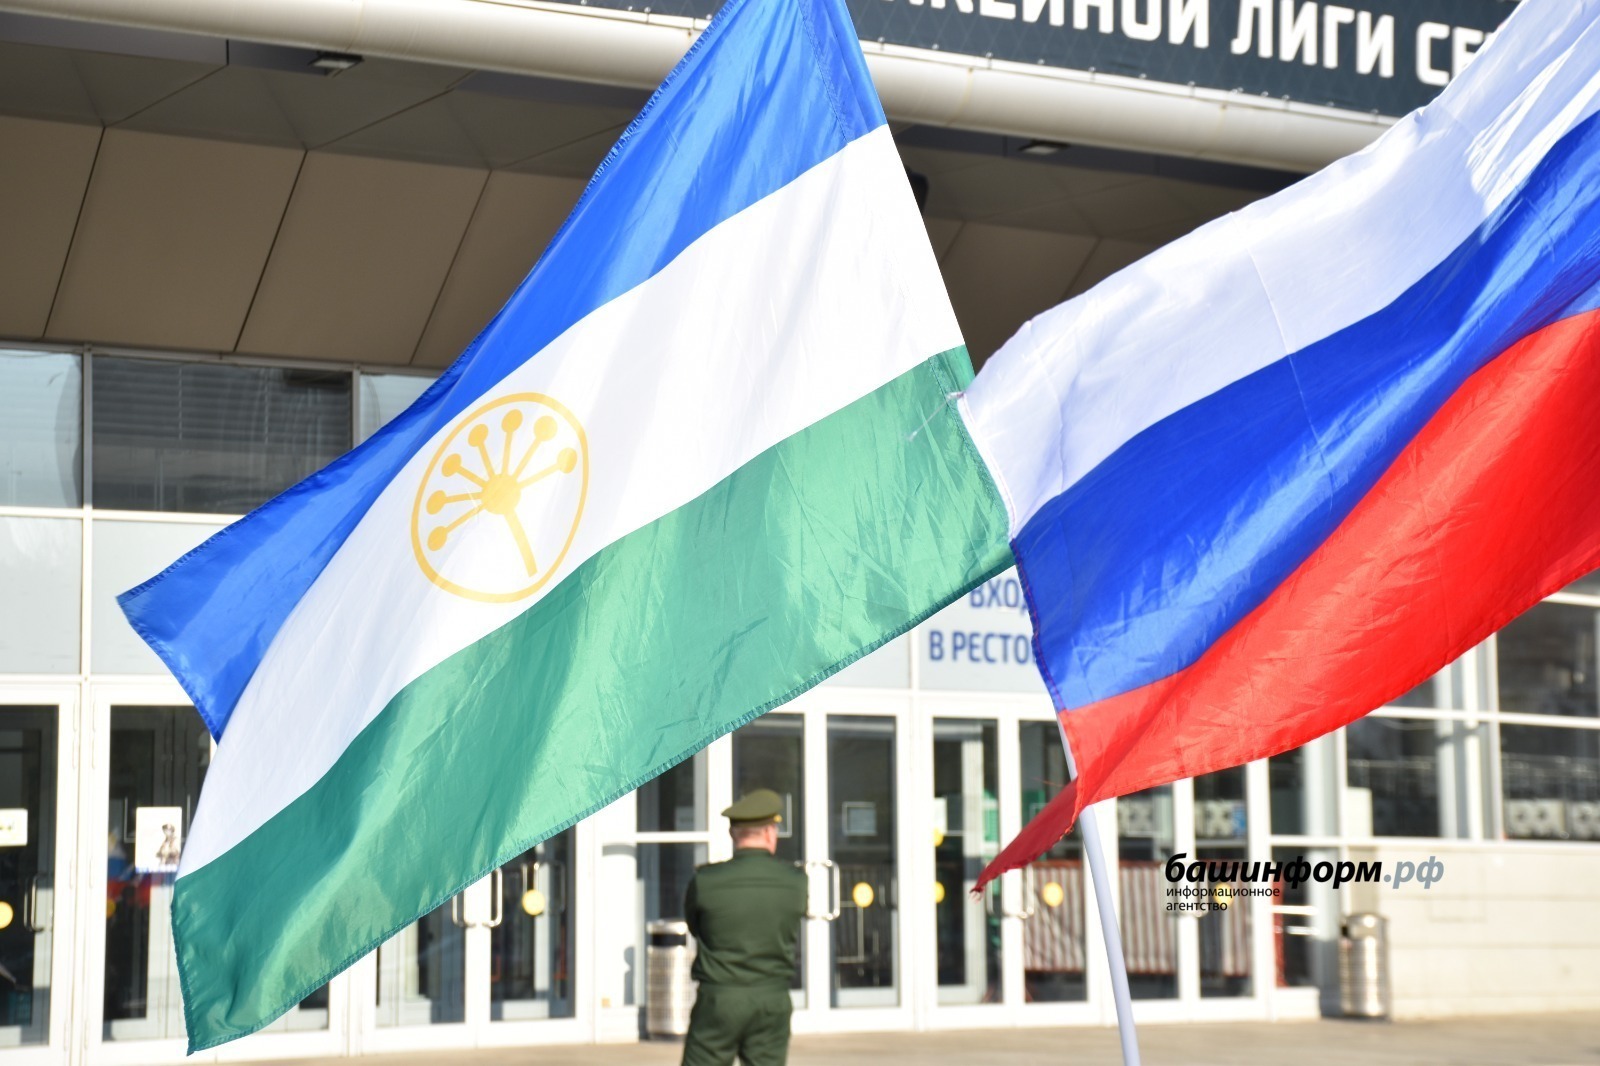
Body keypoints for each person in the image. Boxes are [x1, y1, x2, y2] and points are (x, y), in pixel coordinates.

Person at [681, 789, 807, 1066]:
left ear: (733, 835)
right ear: (770, 833)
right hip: (771, 998)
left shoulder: (706, 881)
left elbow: (696, 928)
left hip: (720, 998)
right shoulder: (796, 881)